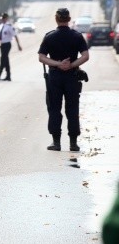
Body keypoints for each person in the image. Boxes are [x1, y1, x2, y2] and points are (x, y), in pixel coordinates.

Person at [38, 8, 89, 152]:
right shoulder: (77, 36)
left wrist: (58, 64)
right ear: (69, 19)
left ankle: (56, 143)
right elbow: (85, 56)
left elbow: (41, 57)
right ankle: (73, 143)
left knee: (54, 108)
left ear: (56, 18)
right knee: (72, 109)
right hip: (72, 76)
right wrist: (71, 65)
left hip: (55, 77)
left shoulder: (49, 37)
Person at [0, 12, 22, 81]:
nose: (3, 20)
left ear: (7, 18)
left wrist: (18, 45)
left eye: (4, 18)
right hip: (2, 45)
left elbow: (15, 35)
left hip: (7, 44)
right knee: (5, 60)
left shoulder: (9, 26)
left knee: (3, 58)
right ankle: (8, 76)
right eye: (2, 18)